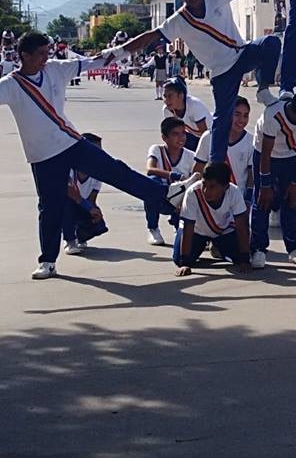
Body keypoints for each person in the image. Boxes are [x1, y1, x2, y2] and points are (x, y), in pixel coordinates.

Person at [0, 32, 189, 279]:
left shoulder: (56, 69)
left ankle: (167, 195)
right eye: (40, 55)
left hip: (72, 144)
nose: (45, 59)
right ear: (23, 55)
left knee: (117, 171)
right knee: (50, 207)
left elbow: (98, 60)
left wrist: (128, 47)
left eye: (48, 53)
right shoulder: (10, 85)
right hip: (42, 156)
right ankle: (47, 261)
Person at [118, 0, 281, 163]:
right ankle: (216, 166)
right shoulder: (178, 21)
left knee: (272, 43)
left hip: (243, 53)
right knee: (222, 121)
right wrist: (117, 52)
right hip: (223, 72)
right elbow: (149, 36)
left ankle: (263, 89)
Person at [251, 88, 296, 268]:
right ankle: (258, 249)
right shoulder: (272, 115)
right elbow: (266, 153)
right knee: (262, 202)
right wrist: (266, 185)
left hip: (290, 156)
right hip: (265, 156)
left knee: (292, 200)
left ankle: (294, 249)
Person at [173, 161, 252, 276]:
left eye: (212, 187)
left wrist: (245, 259)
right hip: (196, 232)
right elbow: (188, 227)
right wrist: (185, 263)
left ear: (225, 187)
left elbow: (242, 226)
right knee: (178, 259)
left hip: (222, 231)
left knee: (240, 258)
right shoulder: (192, 193)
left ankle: (217, 247)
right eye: (204, 184)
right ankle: (206, 246)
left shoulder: (234, 192)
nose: (205, 191)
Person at [193, 96, 255, 211]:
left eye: (245, 115)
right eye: (237, 114)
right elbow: (198, 170)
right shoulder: (209, 137)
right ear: (227, 113)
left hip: (236, 202)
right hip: (211, 201)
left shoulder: (251, 141)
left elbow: (251, 175)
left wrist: (247, 200)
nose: (242, 120)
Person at [145, 117, 197, 246]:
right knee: (150, 183)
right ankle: (153, 228)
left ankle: (178, 226)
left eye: (183, 133)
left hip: (179, 201)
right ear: (164, 137)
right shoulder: (157, 149)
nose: (181, 138)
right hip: (162, 196)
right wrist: (176, 176)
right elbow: (150, 169)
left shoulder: (191, 156)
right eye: (175, 134)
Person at [62, 132, 110, 255]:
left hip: (82, 204)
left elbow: (92, 198)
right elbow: (70, 192)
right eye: (97, 150)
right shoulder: (69, 168)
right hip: (63, 205)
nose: (101, 153)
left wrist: (94, 211)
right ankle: (70, 240)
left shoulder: (97, 172)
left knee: (98, 222)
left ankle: (81, 236)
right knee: (67, 205)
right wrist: (88, 207)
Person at [160, 78, 210, 153]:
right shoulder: (167, 110)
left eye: (170, 96)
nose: (166, 100)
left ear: (181, 95)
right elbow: (171, 134)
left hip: (211, 136)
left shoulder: (194, 106)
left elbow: (205, 134)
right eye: (165, 96)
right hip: (193, 137)